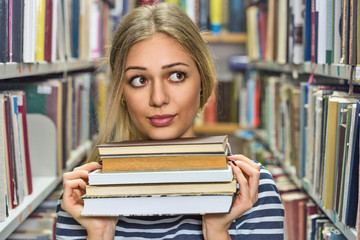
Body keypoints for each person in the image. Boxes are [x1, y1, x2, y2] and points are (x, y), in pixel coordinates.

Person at [56, 3, 284, 240]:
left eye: (177, 76)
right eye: (139, 80)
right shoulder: (80, 194)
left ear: (203, 81)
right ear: (121, 93)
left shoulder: (253, 188)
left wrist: (217, 231)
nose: (158, 98)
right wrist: (100, 233)